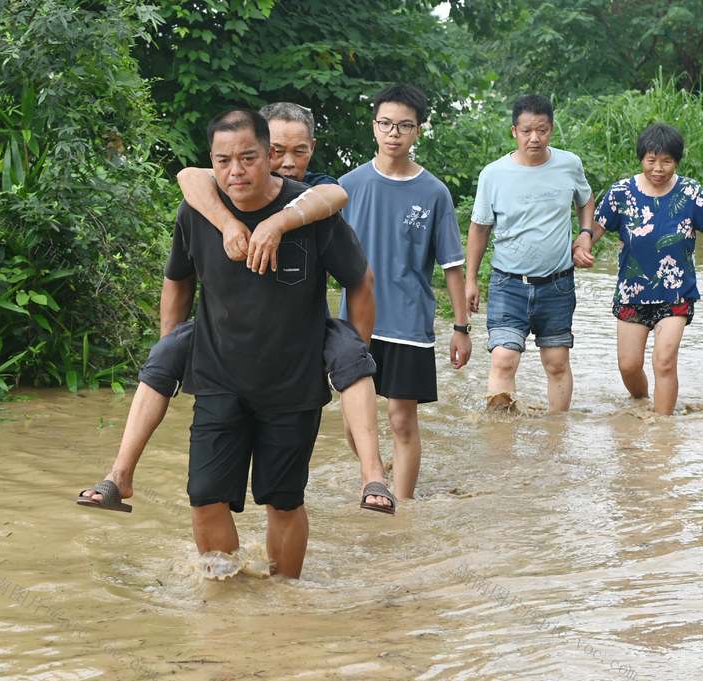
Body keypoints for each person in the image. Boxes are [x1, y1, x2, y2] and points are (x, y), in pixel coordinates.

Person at [77, 103, 394, 515]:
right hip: (221, 351)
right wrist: (227, 224)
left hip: (299, 347)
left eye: (298, 152)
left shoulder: (315, 194)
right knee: (166, 354)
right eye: (277, 151)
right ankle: (120, 475)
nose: (287, 162)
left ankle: (373, 474)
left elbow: (337, 198)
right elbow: (189, 178)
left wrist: (277, 223)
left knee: (351, 357)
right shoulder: (214, 190)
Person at [159, 109, 373, 578]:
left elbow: (360, 280)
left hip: (293, 383)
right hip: (217, 377)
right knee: (205, 495)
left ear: (266, 155)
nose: (236, 170)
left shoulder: (313, 210)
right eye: (224, 160)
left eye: (249, 158)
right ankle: (224, 598)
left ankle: (284, 598)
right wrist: (169, 350)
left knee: (283, 499)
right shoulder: (198, 208)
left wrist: (352, 358)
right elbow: (177, 279)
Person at [338, 83, 472, 500]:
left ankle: (404, 507)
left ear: (418, 130)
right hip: (353, 323)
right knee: (352, 422)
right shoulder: (347, 186)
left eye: (404, 125)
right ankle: (378, 474)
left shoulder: (434, 192)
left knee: (401, 420)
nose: (393, 133)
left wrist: (461, 328)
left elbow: (452, 266)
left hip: (408, 323)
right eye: (385, 123)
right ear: (373, 126)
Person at [574, 123, 703, 415]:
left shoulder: (689, 192)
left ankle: (663, 429)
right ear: (642, 158)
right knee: (629, 366)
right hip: (632, 293)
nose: (658, 169)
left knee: (663, 361)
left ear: (677, 161)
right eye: (651, 160)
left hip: (675, 294)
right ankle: (641, 403)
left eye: (667, 161)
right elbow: (594, 230)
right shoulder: (621, 192)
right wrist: (581, 247)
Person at [465, 93, 594, 412]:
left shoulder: (569, 164)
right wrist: (470, 280)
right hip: (508, 284)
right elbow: (479, 229)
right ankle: (500, 434)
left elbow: (585, 201)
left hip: (558, 284)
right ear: (514, 131)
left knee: (556, 362)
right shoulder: (493, 174)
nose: (534, 138)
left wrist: (585, 234)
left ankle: (556, 433)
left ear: (551, 129)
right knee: (504, 359)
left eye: (542, 130)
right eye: (526, 131)